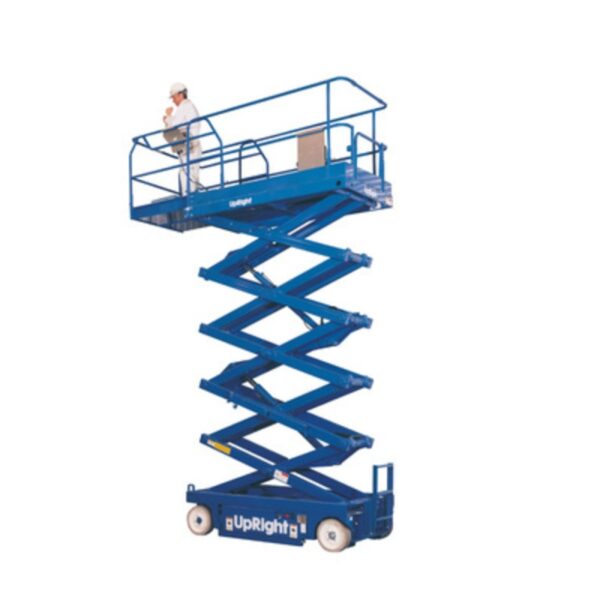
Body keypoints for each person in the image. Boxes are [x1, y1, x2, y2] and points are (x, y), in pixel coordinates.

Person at [163, 82, 202, 194]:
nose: (173, 100)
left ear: (181, 95)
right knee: (188, 173)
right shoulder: (187, 107)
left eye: (174, 97)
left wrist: (168, 117)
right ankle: (190, 194)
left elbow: (175, 125)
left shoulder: (185, 106)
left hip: (190, 146)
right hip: (188, 146)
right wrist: (168, 120)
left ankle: (189, 196)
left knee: (188, 174)